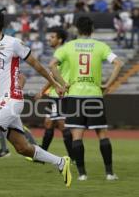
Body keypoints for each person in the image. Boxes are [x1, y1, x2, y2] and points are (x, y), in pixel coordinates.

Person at [0, 8, 72, 195]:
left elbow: (36, 65)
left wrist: (55, 83)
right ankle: (61, 162)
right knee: (22, 148)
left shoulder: (13, 43)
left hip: (12, 98)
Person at [49, 16, 123, 181]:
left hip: (75, 95)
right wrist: (108, 84)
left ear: (76, 29)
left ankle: (82, 174)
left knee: (77, 135)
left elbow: (52, 64)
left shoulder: (68, 46)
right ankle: (110, 173)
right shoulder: (100, 46)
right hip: (94, 95)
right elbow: (119, 63)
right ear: (92, 30)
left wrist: (63, 84)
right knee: (102, 134)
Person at [35, 27, 73, 161]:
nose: (49, 39)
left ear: (59, 40)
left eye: (52, 37)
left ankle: (73, 157)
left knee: (62, 125)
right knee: (49, 123)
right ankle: (42, 155)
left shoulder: (61, 53)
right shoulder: (62, 52)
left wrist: (41, 90)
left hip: (60, 96)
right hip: (54, 95)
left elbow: (53, 76)